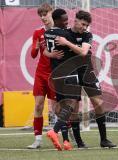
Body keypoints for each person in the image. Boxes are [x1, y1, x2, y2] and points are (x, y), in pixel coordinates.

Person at [54, 10, 117, 148]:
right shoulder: (64, 33)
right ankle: (79, 142)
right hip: (72, 73)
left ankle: (104, 139)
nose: (84, 27)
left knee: (99, 104)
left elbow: (83, 52)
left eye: (86, 25)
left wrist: (67, 44)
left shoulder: (87, 35)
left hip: (87, 72)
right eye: (82, 24)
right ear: (75, 20)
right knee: (75, 109)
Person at [44, 8, 81, 151]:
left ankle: (66, 141)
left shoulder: (47, 33)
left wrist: (50, 54)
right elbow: (79, 51)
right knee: (71, 104)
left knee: (63, 107)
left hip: (56, 74)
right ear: (57, 20)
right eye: (64, 20)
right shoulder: (66, 34)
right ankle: (54, 130)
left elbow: (46, 50)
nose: (67, 22)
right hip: (69, 73)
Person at [27, 3, 58, 149]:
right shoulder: (37, 32)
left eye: (45, 14)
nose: (43, 17)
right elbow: (33, 55)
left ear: (52, 12)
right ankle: (37, 140)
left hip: (55, 74)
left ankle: (67, 133)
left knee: (57, 108)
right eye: (40, 15)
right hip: (41, 73)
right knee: (38, 105)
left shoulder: (61, 31)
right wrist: (36, 47)